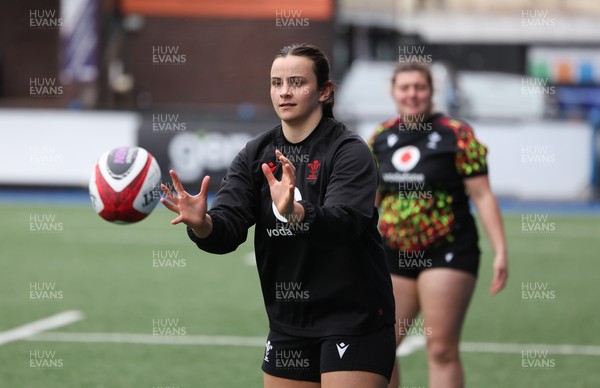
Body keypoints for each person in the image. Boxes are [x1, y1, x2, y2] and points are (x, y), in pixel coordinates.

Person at [161, 43, 396, 388]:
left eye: (297, 82)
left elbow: (346, 224)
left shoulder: (349, 151)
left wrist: (295, 213)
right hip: (288, 322)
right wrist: (204, 225)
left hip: (354, 317)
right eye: (276, 82)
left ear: (324, 91)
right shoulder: (256, 153)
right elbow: (228, 228)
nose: (284, 91)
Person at [368, 63, 508, 388]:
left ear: (431, 92)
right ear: (393, 92)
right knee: (380, 348)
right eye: (405, 87)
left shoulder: (456, 135)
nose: (412, 94)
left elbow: (483, 195)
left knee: (441, 348)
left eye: (420, 87)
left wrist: (500, 250)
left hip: (448, 251)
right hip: (393, 254)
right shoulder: (380, 137)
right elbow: (369, 203)